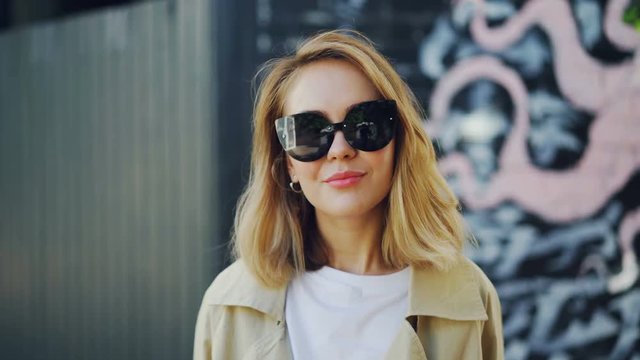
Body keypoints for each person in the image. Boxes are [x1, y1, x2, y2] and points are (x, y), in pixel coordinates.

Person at [193, 29, 503, 360]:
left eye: (365, 124)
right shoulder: (229, 305)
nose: (340, 150)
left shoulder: (469, 298)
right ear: (287, 164)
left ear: (399, 143)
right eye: (309, 131)